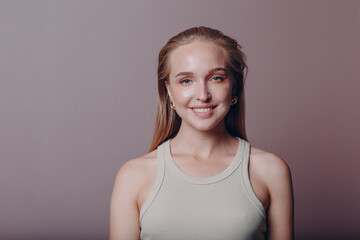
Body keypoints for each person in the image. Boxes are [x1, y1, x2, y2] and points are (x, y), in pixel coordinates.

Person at [109, 26, 294, 240]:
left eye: (216, 78)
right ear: (168, 90)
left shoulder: (271, 170)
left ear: (234, 86)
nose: (203, 95)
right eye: (186, 80)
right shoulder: (133, 176)